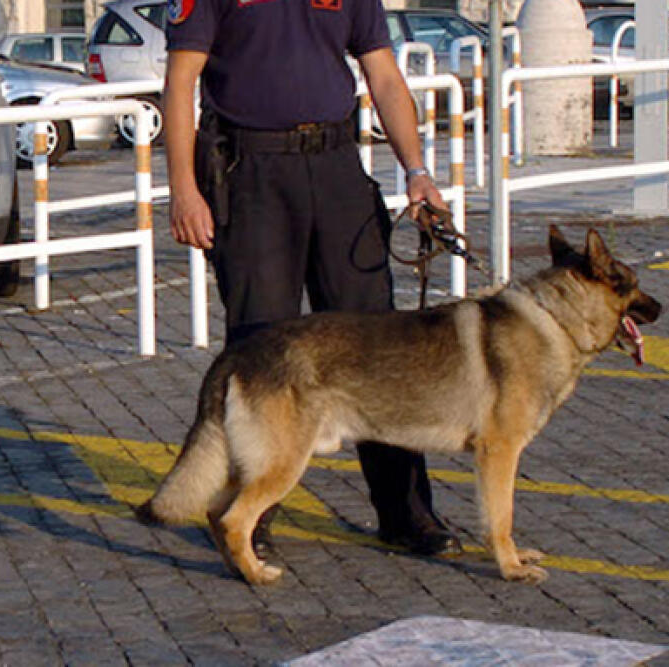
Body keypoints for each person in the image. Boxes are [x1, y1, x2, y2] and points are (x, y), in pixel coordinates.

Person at [163, 0, 461, 556]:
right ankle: (250, 519)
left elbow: (383, 75)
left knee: (380, 350)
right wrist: (184, 189)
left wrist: (417, 171)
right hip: (251, 174)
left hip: (336, 166)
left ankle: (406, 514)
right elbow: (180, 81)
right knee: (262, 349)